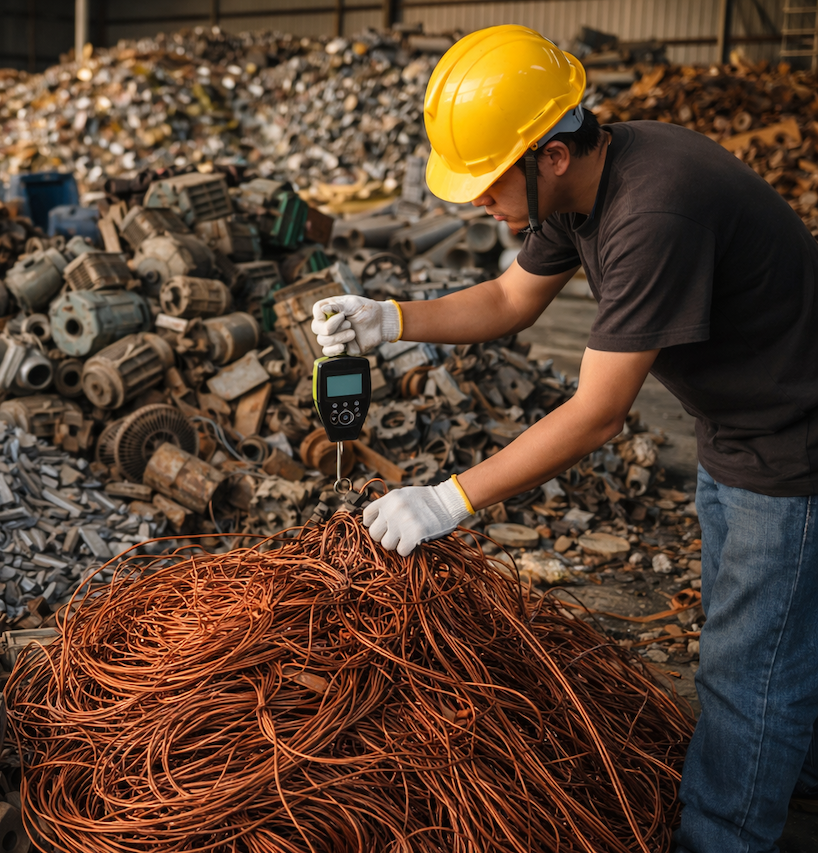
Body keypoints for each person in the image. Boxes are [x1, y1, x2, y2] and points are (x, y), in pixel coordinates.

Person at [310, 23, 818, 853]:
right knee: (781, 633)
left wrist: (449, 500)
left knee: (744, 671)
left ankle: (725, 835)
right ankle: (791, 773)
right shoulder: (583, 180)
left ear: (549, 153)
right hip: (737, 421)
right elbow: (512, 302)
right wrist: (391, 319)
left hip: (792, 436)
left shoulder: (654, 209)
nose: (477, 201)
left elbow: (598, 412)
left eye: (486, 181)